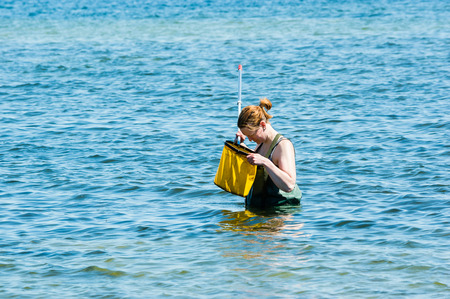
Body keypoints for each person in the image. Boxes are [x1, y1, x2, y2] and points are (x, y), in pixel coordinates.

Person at [235, 98, 302, 209]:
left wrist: (266, 162)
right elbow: (257, 160)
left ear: (262, 125)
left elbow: (289, 185)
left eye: (251, 135)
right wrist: (241, 146)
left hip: (280, 212)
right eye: (247, 136)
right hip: (262, 210)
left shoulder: (283, 145)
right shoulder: (261, 143)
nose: (250, 140)